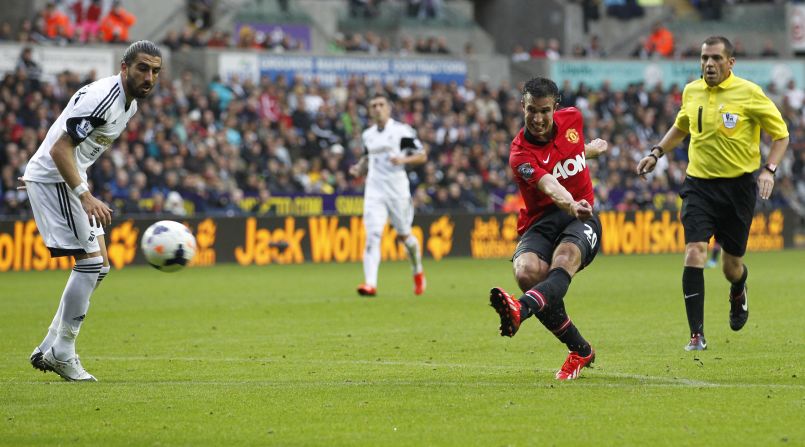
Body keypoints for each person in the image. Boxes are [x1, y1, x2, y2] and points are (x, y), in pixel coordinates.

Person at [636, 36, 789, 351]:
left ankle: (738, 289)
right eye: (704, 58)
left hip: (738, 189)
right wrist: (656, 153)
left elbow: (781, 135)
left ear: (730, 62)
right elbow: (681, 126)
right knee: (694, 251)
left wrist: (769, 170)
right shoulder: (692, 91)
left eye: (716, 58)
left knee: (731, 267)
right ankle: (696, 335)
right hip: (699, 186)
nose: (709, 64)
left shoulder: (749, 94)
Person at [22, 40, 163, 381]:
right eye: (143, 68)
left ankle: (50, 347)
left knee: (100, 267)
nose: (149, 76)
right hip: (56, 178)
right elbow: (60, 149)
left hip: (69, 177)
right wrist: (85, 195)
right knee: (90, 264)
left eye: (156, 71)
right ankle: (64, 351)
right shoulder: (105, 98)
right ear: (124, 67)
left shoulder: (129, 106)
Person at [488, 77, 608, 381]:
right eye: (531, 110)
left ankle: (521, 309)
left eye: (544, 111)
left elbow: (569, 150)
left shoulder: (574, 120)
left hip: (581, 218)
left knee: (565, 258)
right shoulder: (520, 154)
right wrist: (571, 203)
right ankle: (581, 350)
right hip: (545, 220)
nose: (538, 119)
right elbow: (549, 184)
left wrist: (589, 151)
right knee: (526, 273)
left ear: (556, 107)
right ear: (522, 107)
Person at [349, 93, 427, 297]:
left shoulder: (401, 131)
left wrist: (402, 160)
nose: (377, 108)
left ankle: (417, 271)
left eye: (381, 104)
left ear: (388, 108)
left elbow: (421, 155)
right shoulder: (369, 135)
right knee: (373, 235)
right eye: (373, 105)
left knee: (404, 236)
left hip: (397, 190)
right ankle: (370, 283)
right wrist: (358, 169)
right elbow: (367, 158)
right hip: (374, 190)